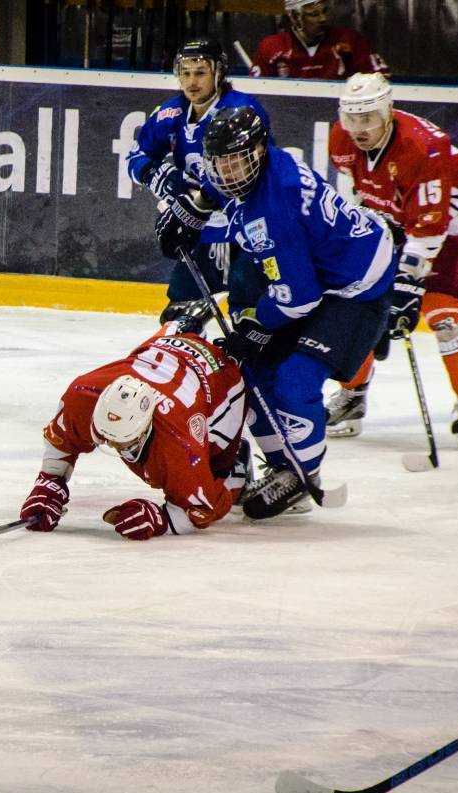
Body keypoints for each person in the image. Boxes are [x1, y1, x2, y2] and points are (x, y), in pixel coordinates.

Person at [155, 105, 396, 519]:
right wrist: (195, 206)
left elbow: (297, 298)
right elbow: (227, 196)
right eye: (220, 163)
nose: (227, 172)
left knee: (294, 378)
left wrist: (257, 325)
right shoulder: (266, 167)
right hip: (325, 273)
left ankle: (303, 474)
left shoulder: (273, 212)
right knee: (252, 371)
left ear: (258, 151)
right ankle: (282, 464)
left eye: (236, 161)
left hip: (358, 288)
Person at [326, 72, 458, 447]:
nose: (359, 128)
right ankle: (353, 395)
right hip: (396, 217)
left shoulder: (423, 148)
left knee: (443, 315)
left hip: (453, 221)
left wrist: (408, 283)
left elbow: (430, 229)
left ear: (387, 112)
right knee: (359, 302)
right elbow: (360, 188)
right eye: (352, 118)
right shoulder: (341, 138)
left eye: (367, 118)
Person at [18, 318, 248, 540]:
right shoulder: (82, 396)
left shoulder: (178, 444)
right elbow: (62, 438)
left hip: (219, 381)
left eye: (122, 442)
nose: (112, 445)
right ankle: (181, 324)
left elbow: (202, 509)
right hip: (169, 349)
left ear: (145, 427)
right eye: (106, 437)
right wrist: (49, 482)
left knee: (219, 475)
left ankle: (236, 471)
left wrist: (161, 520)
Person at [125, 36, 271, 323]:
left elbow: (259, 173)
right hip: (200, 231)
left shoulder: (241, 112)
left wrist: (201, 194)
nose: (192, 82)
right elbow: (135, 156)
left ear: (218, 73)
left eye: (201, 73)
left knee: (251, 316)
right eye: (186, 73)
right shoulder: (171, 113)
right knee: (178, 316)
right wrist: (158, 176)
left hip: (246, 231)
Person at [250, 0, 388, 80]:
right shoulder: (272, 47)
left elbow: (381, 80)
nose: (323, 19)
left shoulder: (350, 42)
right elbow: (257, 92)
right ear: (294, 16)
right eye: (314, 14)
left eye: (325, 11)